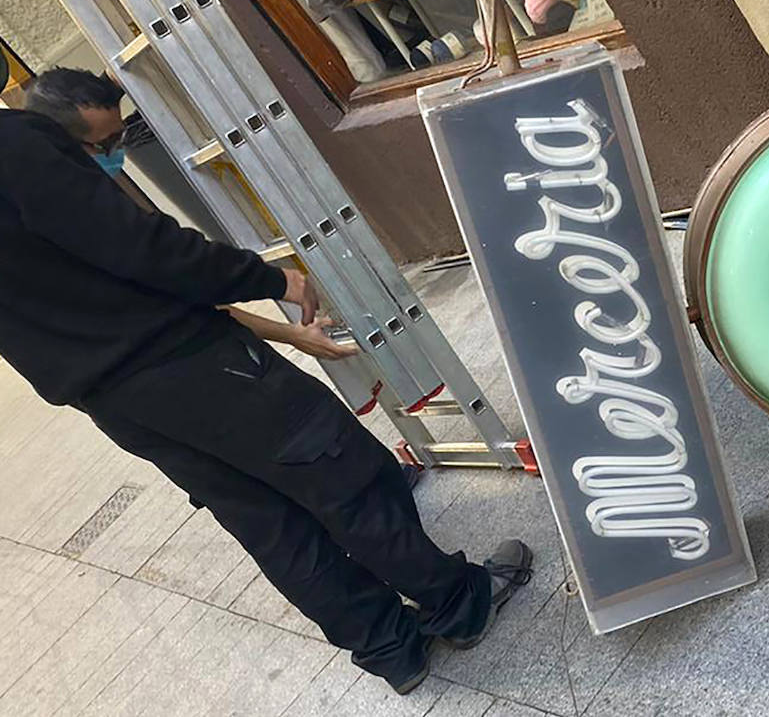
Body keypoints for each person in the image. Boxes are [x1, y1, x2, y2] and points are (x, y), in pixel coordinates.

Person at [0, 68, 531, 694]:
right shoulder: (17, 143)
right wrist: (267, 277)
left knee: (264, 520)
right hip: (188, 361)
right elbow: (140, 247)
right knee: (342, 476)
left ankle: (390, 648)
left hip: (113, 400)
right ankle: (458, 603)